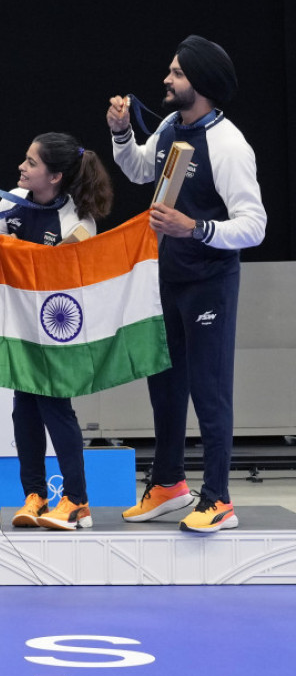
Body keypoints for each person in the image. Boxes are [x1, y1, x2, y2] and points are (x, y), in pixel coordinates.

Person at [106, 35, 266, 533]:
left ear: (200, 83)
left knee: (209, 391)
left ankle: (218, 498)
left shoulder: (229, 145)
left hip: (209, 284)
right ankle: (169, 483)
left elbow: (255, 224)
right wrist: (119, 134)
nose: (166, 81)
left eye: (175, 73)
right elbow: (138, 172)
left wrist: (194, 228)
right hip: (167, 279)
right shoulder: (174, 126)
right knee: (166, 387)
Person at [0, 133, 114, 530]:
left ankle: (78, 501)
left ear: (56, 176)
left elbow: (76, 282)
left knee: (54, 408)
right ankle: (35, 496)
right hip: (18, 323)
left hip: (57, 327)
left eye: (31, 163)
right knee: (22, 408)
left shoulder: (78, 221)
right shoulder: (11, 201)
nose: (21, 168)